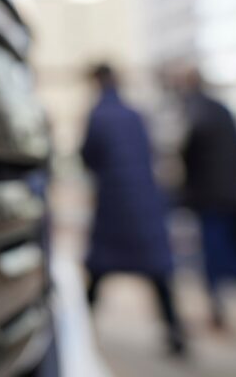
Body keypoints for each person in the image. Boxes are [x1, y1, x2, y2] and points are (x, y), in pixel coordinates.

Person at [81, 64, 186, 355]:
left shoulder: (98, 115)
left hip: (114, 204)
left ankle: (78, 333)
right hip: (144, 201)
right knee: (157, 271)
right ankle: (176, 334)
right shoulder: (135, 114)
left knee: (98, 270)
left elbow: (87, 156)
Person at [177, 66, 236, 328]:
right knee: (227, 248)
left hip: (210, 197)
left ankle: (220, 308)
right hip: (227, 193)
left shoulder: (197, 112)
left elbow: (189, 152)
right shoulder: (220, 110)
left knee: (215, 253)